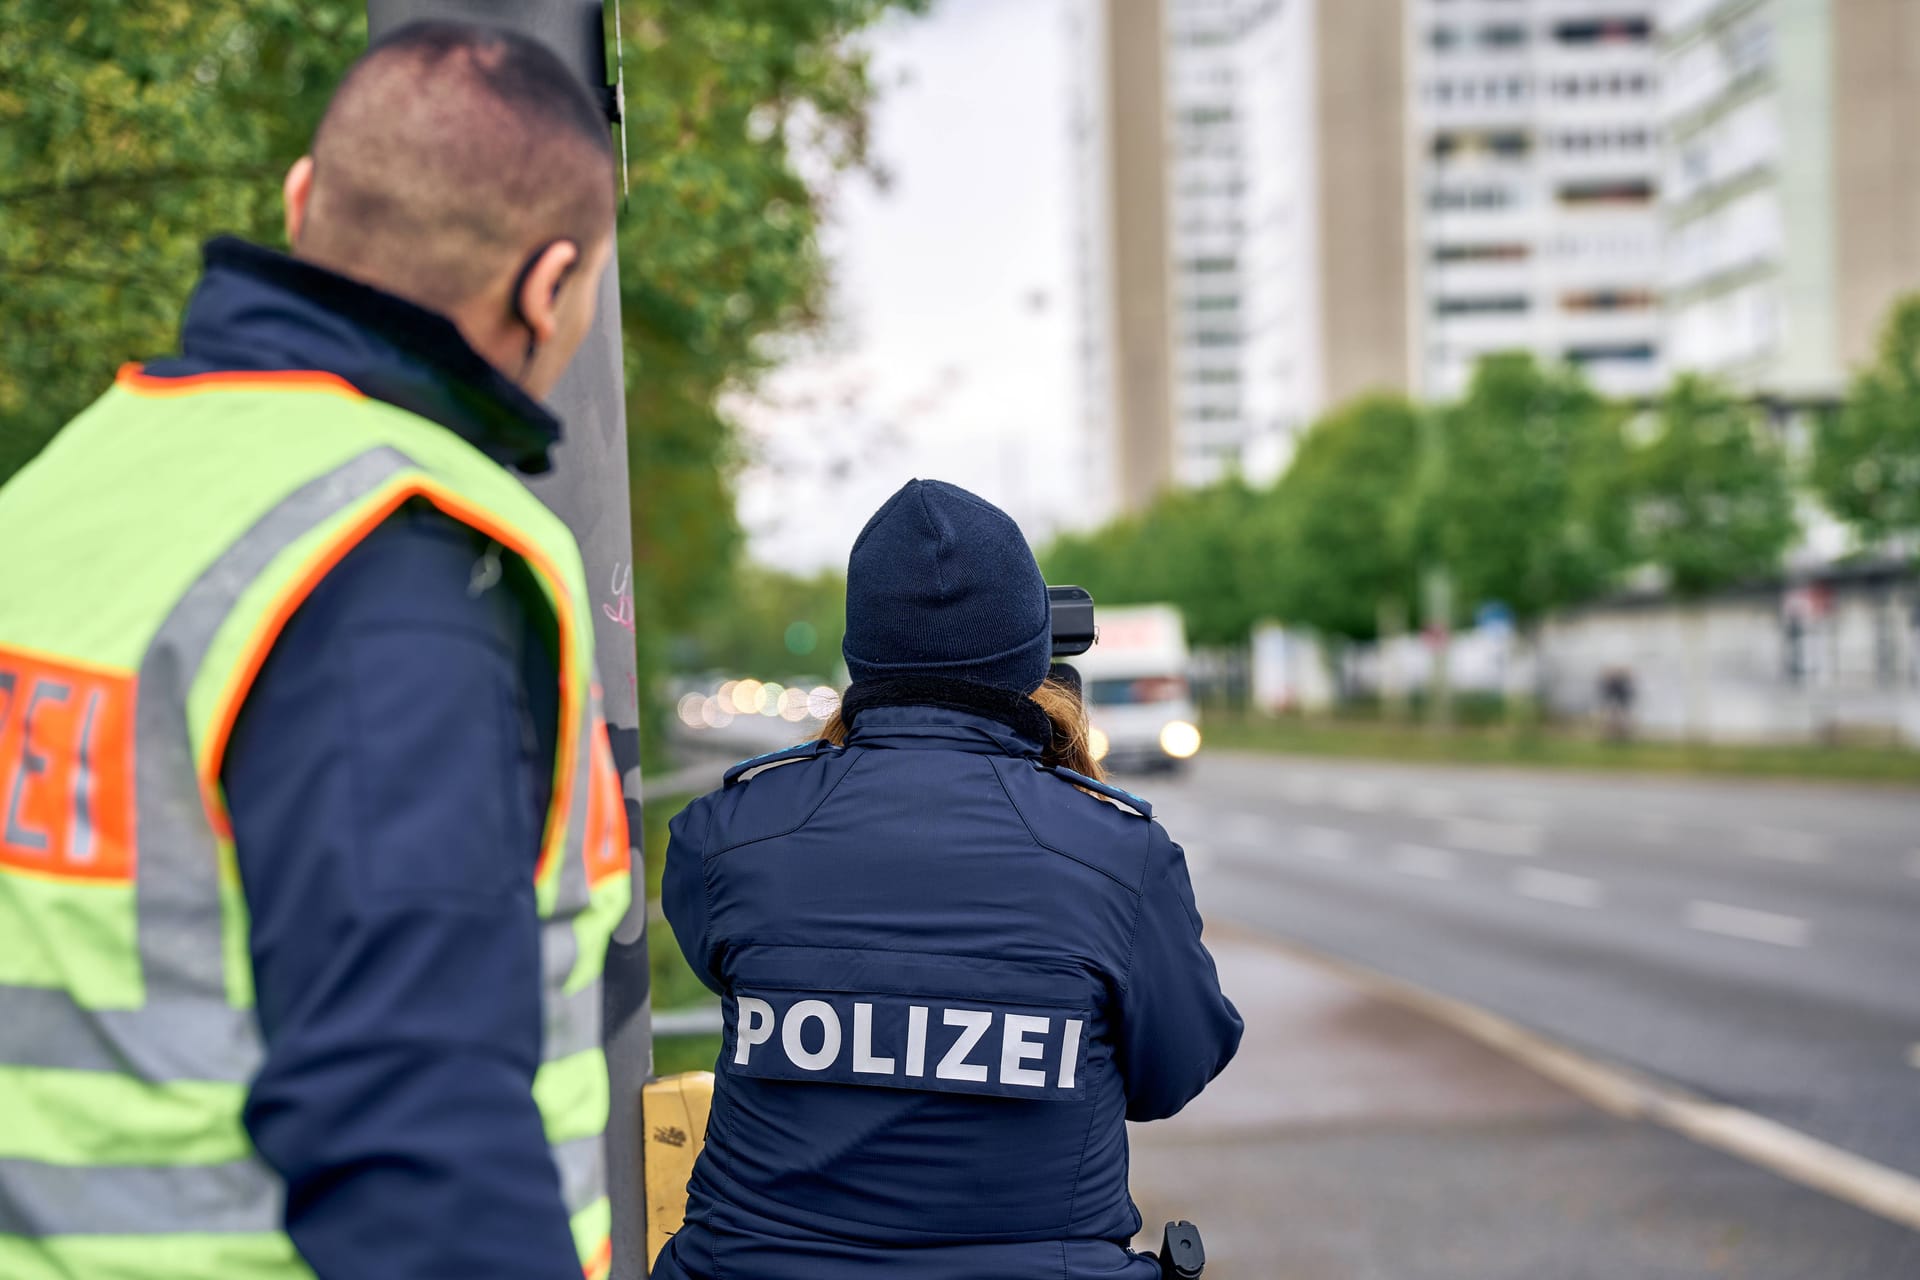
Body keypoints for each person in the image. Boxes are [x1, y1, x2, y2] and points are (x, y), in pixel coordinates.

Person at [0, 22, 632, 1280]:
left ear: (301, 200)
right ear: (548, 284)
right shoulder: (396, 552)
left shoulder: (66, 489)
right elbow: (413, 1129)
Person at [657, 479, 1243, 1279]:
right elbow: (1172, 1071)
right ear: (1031, 655)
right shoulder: (1119, 854)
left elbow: (720, 959)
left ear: (863, 648)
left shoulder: (727, 835)